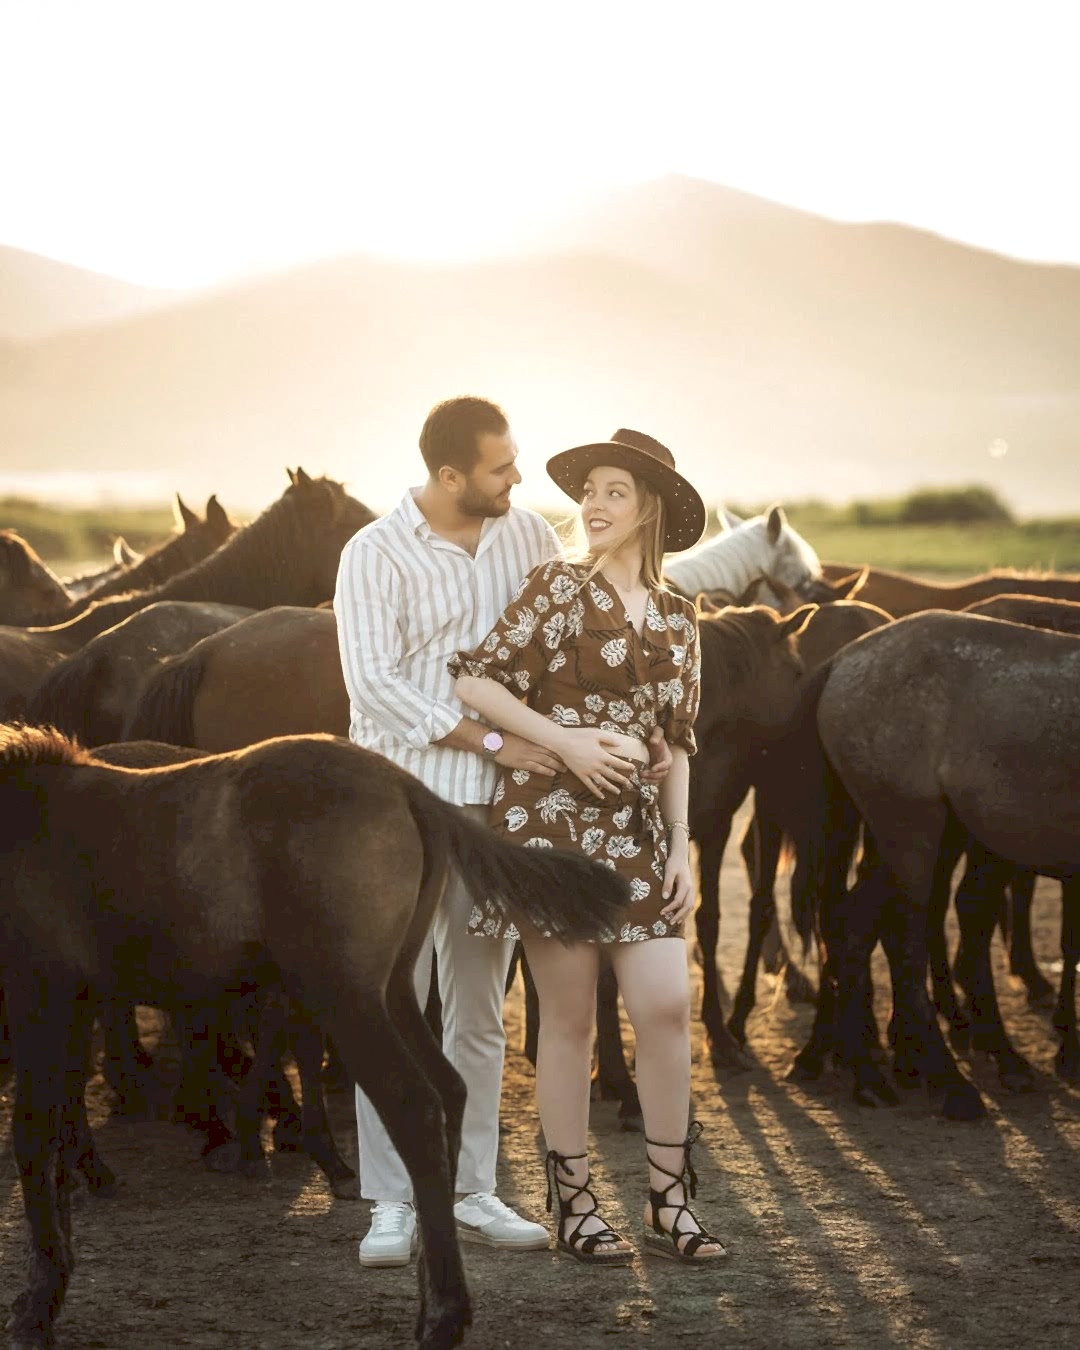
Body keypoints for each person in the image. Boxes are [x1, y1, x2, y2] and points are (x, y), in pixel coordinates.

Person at [333, 399, 671, 1267]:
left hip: (499, 814)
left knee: (480, 1010)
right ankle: (392, 1201)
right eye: (500, 467)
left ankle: (473, 1187)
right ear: (450, 476)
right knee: (392, 1005)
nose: (519, 477)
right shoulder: (373, 552)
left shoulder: (527, 538)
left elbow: (566, 645)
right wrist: (494, 741)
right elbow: (375, 687)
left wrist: (631, 731)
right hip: (397, 811)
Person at [450, 429, 727, 1265]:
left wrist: (680, 848)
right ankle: (574, 1205)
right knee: (567, 1020)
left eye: (614, 491)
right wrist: (562, 741)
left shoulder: (679, 617)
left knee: (665, 1006)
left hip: (639, 834)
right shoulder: (557, 587)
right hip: (549, 827)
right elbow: (475, 678)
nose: (594, 505)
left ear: (649, 508)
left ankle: (669, 1204)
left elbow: (677, 742)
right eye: (590, 490)